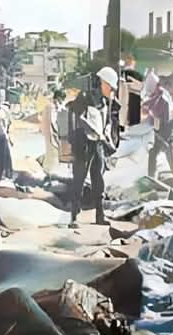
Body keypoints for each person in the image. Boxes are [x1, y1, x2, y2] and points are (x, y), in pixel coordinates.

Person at [67, 66, 121, 228]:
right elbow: (75, 116)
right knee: (79, 179)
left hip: (97, 144)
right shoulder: (85, 98)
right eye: (110, 87)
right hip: (83, 144)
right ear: (103, 83)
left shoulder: (105, 102)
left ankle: (100, 216)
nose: (112, 91)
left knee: (98, 180)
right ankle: (74, 218)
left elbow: (108, 123)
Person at [143, 72, 173, 178]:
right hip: (160, 128)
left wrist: (148, 111)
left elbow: (158, 110)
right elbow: (150, 103)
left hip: (166, 128)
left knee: (168, 150)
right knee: (154, 153)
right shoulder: (157, 95)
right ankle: (151, 176)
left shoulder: (163, 97)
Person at [41, 89, 66, 175]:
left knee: (53, 152)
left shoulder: (55, 106)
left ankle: (48, 169)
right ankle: (48, 171)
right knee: (52, 152)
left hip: (52, 132)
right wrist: (57, 132)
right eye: (62, 99)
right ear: (58, 98)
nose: (62, 101)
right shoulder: (50, 107)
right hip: (51, 132)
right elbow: (52, 121)